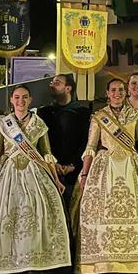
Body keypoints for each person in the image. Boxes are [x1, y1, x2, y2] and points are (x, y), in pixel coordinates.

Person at [0, 85, 70, 274]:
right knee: (8, 219)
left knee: (36, 219)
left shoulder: (39, 124)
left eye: (24, 97)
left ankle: (35, 267)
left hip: (35, 174)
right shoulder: (3, 125)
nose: (20, 101)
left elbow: (46, 154)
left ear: (30, 100)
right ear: (11, 100)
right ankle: (11, 271)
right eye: (17, 97)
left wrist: (56, 180)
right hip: (8, 175)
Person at [75, 78, 138, 274]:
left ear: (125, 92)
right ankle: (104, 263)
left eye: (121, 90)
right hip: (105, 167)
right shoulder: (99, 117)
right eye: (113, 90)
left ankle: (135, 263)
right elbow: (91, 147)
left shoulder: (136, 116)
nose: (117, 93)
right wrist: (85, 172)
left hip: (131, 165)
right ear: (107, 92)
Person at [41, 74, 91, 206]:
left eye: (56, 82)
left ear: (68, 88)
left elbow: (86, 142)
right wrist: (53, 163)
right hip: (50, 170)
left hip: (75, 171)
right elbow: (41, 142)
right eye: (51, 82)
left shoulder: (83, 113)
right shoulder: (44, 113)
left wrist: (73, 165)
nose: (51, 85)